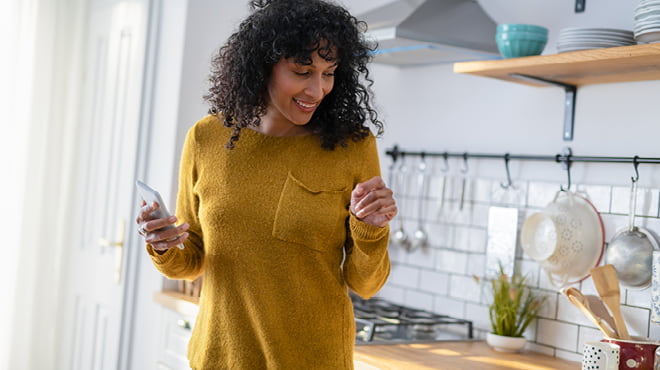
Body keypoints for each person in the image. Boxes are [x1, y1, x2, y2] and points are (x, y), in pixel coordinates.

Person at [135, 0, 397, 368]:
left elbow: (366, 284)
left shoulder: (352, 146)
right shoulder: (206, 138)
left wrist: (372, 229)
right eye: (302, 71)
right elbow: (190, 262)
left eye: (328, 73)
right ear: (263, 66)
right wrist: (163, 244)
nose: (317, 90)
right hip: (219, 358)